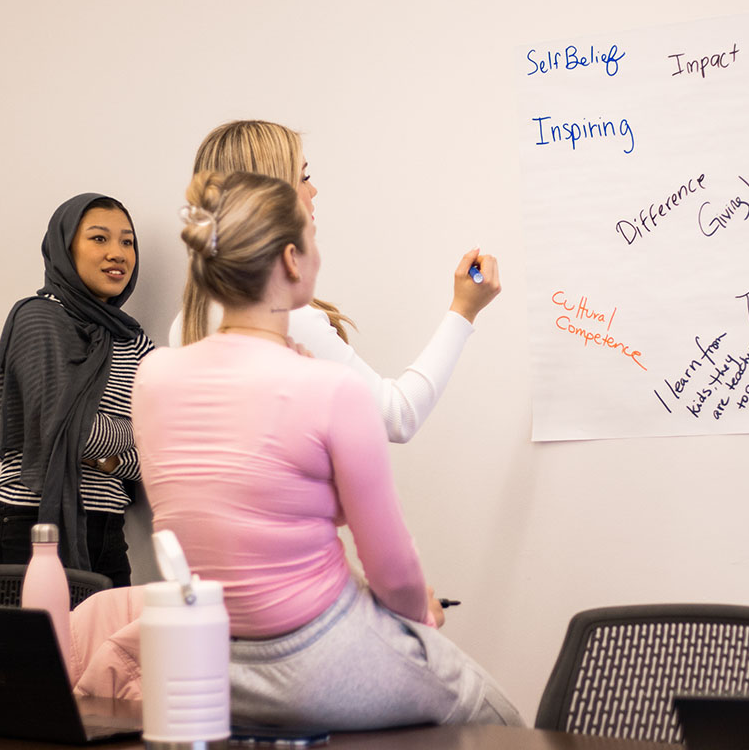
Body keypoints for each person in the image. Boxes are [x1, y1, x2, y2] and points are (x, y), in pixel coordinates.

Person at [133, 170, 522, 730]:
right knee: (506, 725)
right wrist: (419, 614)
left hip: (208, 665)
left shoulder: (153, 377)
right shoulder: (329, 389)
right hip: (315, 657)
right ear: (292, 260)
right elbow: (391, 568)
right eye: (312, 239)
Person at [168, 119, 499, 442]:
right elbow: (398, 417)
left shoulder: (185, 323)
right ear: (270, 197)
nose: (313, 189)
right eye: (303, 177)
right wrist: (463, 311)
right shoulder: (283, 319)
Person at [0, 193, 153, 586]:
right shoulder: (39, 319)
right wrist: (136, 433)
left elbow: (162, 452)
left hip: (107, 532)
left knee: (106, 649)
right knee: (24, 650)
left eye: (127, 242)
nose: (118, 253)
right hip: (30, 527)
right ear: (65, 247)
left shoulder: (134, 340)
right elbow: (62, 428)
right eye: (99, 239)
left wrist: (109, 458)